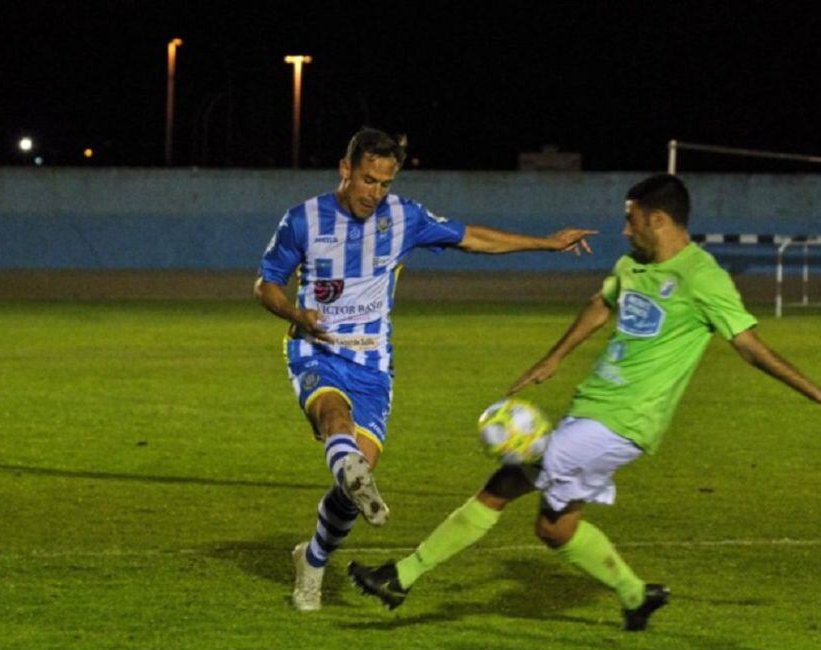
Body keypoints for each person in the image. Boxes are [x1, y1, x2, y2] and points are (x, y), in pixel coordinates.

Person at [348, 173, 821, 630]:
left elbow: (751, 347)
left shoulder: (702, 277)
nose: (625, 230)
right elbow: (599, 306)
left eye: (633, 220)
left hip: (627, 424)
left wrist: (818, 393)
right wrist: (553, 359)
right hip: (591, 408)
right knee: (554, 529)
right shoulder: (631, 267)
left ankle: (402, 576)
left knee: (506, 481)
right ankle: (637, 596)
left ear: (661, 220)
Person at [255, 127, 596, 611]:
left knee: (353, 486)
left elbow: (471, 237)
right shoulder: (302, 221)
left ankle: (311, 559)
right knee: (335, 419)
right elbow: (266, 285)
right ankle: (347, 472)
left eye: (384, 184)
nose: (375, 193)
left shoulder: (404, 218)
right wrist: (295, 313)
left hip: (373, 365)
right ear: (345, 170)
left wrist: (546, 243)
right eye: (368, 180)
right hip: (316, 351)